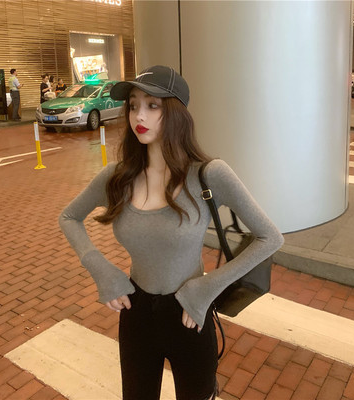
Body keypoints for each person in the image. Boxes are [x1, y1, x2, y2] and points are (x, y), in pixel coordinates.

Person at [59, 65, 284, 400]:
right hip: (135, 315)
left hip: (189, 315)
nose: (139, 115)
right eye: (133, 105)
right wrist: (101, 270)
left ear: (177, 113)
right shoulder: (117, 177)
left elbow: (270, 238)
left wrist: (207, 288)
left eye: (153, 105)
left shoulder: (209, 175)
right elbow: (69, 217)